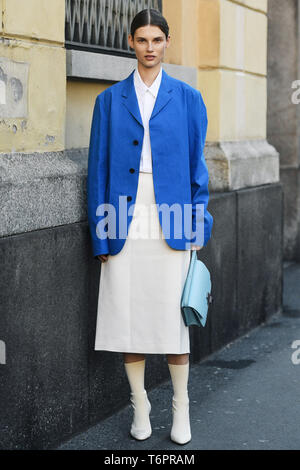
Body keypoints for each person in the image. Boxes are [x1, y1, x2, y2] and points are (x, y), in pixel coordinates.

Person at [87, 8, 213, 445]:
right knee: (128, 316)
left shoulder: (188, 98)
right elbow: (98, 169)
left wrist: (198, 223)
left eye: (157, 40)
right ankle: (140, 406)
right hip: (122, 217)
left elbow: (199, 169)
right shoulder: (108, 101)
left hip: (172, 219)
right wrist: (100, 233)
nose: (149, 48)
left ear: (167, 42)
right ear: (130, 43)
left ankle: (181, 408)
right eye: (142, 40)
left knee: (170, 319)